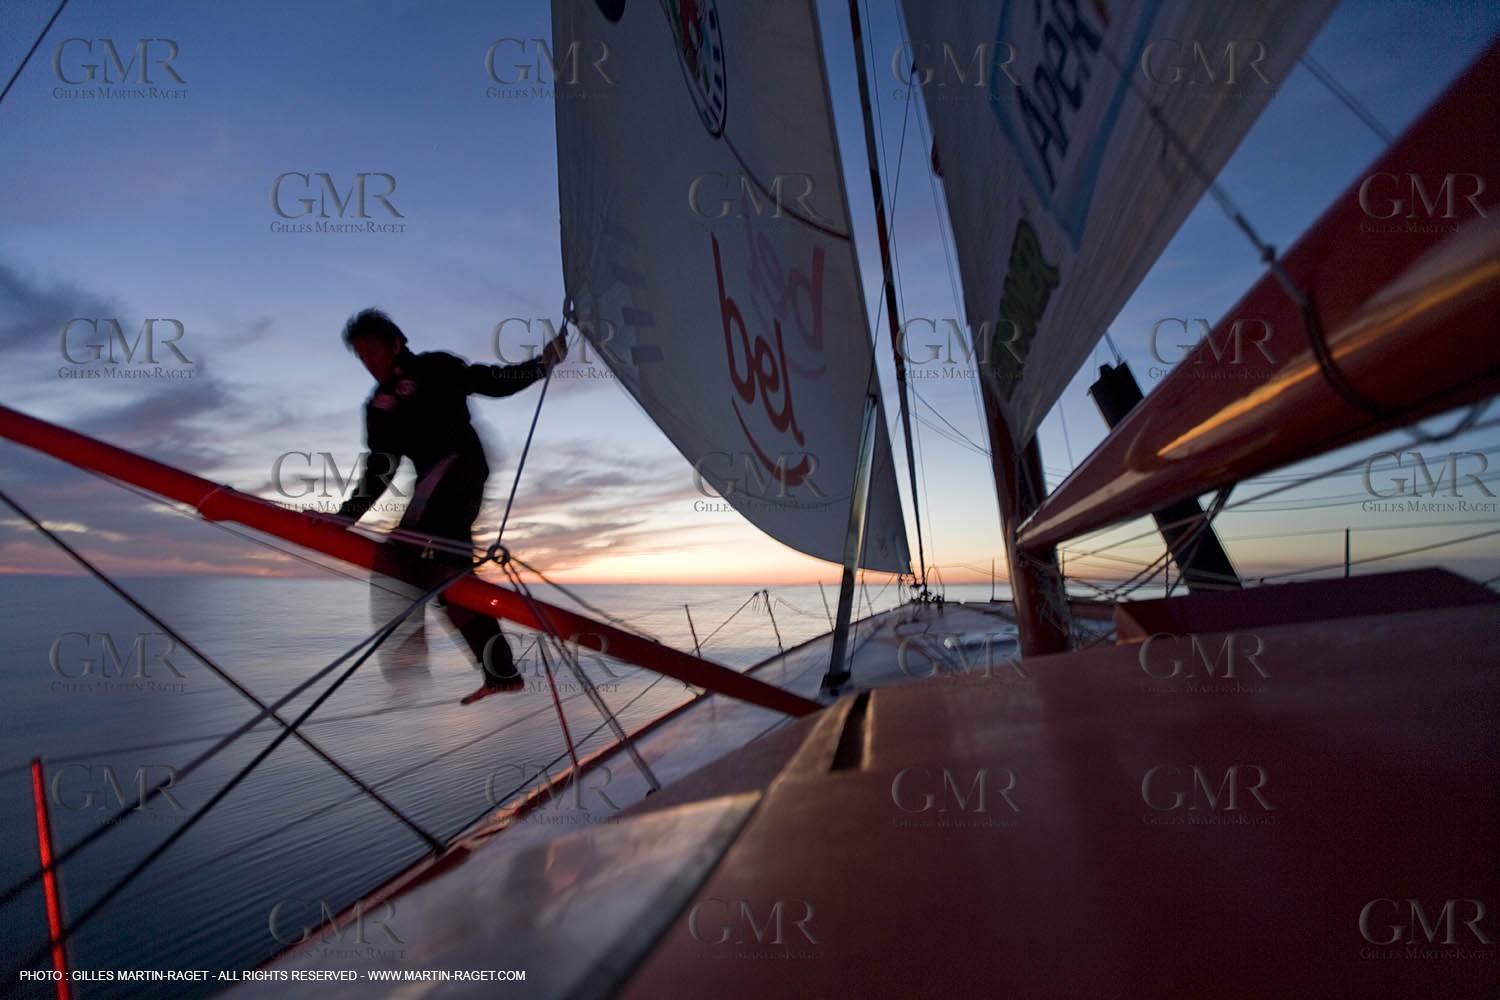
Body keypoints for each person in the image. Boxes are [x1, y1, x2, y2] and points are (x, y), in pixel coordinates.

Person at [333, 308, 567, 703]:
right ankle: (500, 672)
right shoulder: (378, 407)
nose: (369, 362)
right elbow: (380, 467)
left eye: (373, 350)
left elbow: (488, 380)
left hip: (461, 467)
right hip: (430, 484)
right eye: (361, 355)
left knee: (402, 550)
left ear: (396, 343)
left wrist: (542, 365)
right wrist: (346, 515)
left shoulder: (434, 368)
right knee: (446, 580)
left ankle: (407, 663)